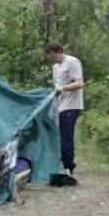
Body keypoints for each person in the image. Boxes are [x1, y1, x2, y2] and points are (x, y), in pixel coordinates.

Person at [46, 42, 84, 178]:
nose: (52, 59)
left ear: (59, 52)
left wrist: (63, 88)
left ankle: (68, 167)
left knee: (66, 138)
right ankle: (59, 165)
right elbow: (57, 86)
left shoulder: (72, 62)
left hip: (71, 105)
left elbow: (79, 83)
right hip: (59, 106)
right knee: (57, 137)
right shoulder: (55, 67)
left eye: (52, 56)